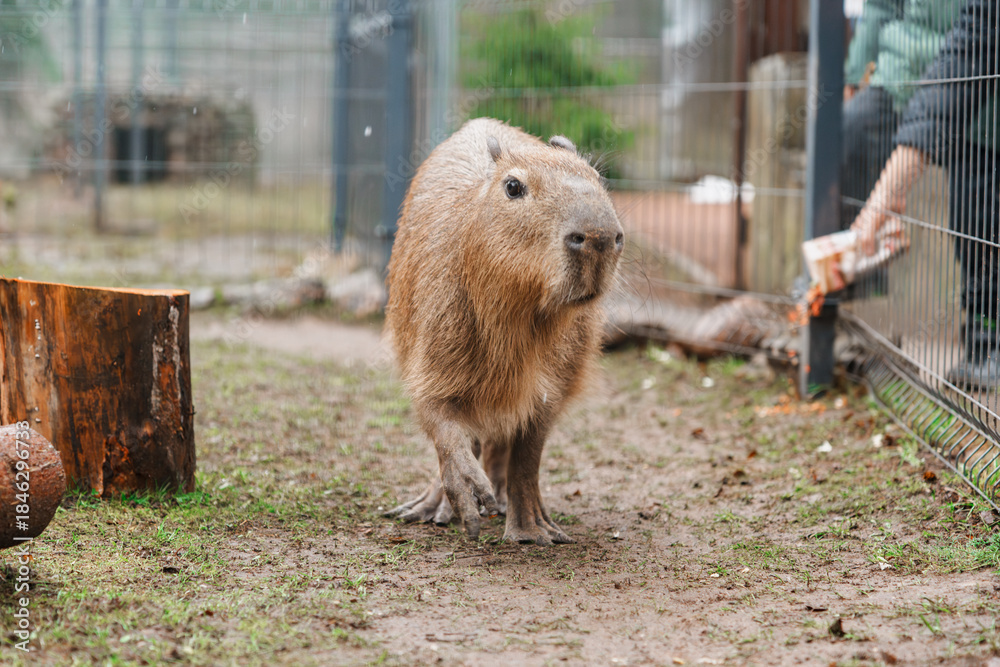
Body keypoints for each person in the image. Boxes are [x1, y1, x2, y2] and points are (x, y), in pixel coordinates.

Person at [851, 0, 998, 390]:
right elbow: (976, 38)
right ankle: (852, 293)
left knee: (979, 206)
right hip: (933, 79)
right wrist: (891, 190)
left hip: (969, 92)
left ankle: (987, 338)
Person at [842, 0, 963, 226]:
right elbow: (880, 7)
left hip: (963, 75)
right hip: (898, 73)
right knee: (850, 130)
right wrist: (855, 74)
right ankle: (852, 246)